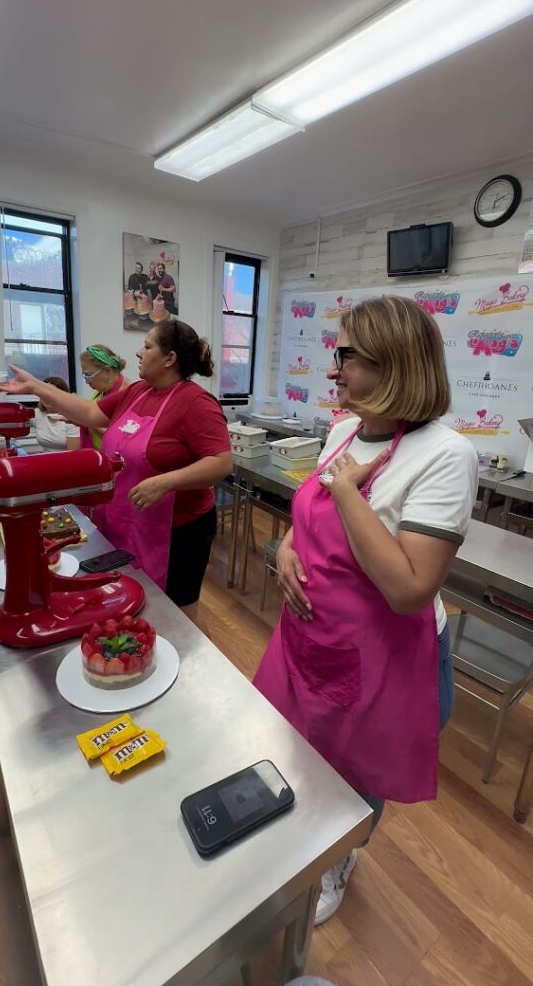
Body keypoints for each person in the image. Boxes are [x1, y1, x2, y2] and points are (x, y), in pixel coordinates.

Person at [253, 295, 478, 926]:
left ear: (396, 363)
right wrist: (290, 549)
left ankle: (339, 857)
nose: (333, 369)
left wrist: (349, 491)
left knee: (355, 774)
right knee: (301, 751)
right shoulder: (347, 429)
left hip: (387, 659)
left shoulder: (445, 456)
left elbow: (409, 587)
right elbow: (311, 514)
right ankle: (305, 832)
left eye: (347, 355)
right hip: (313, 636)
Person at [2, 321, 232, 630]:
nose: (138, 352)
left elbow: (220, 462)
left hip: (179, 532)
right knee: (134, 599)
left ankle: (181, 660)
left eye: (148, 346)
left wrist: (166, 482)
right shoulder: (136, 392)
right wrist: (35, 387)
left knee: (176, 615)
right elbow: (89, 413)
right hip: (128, 519)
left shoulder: (196, 403)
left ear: (169, 358)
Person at [79, 345, 130, 449]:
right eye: (84, 375)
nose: (86, 380)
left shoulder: (128, 394)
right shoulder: (101, 390)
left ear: (107, 371)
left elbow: (125, 436)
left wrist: (87, 421)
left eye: (88, 375)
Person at [32, 376, 80, 451]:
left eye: (52, 393)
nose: (46, 396)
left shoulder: (72, 419)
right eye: (43, 392)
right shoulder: (37, 414)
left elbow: (73, 456)